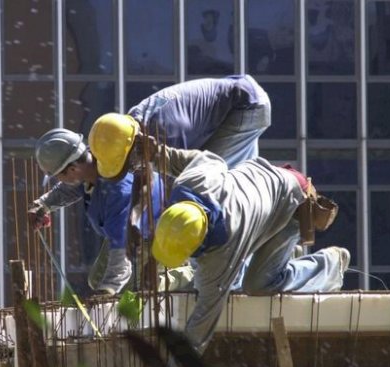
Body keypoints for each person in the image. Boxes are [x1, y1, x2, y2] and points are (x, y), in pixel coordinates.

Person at [89, 127, 349, 354]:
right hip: (262, 184)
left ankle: (329, 264)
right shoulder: (190, 184)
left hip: (291, 202)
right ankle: (278, 258)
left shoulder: (224, 252)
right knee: (229, 277)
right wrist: (157, 153)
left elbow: (203, 321)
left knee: (258, 284)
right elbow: (202, 158)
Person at [27, 128, 192, 295]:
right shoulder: (94, 162)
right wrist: (43, 204)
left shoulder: (118, 192)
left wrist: (107, 290)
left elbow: (121, 252)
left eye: (57, 175)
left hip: (156, 229)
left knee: (135, 286)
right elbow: (70, 188)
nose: (58, 180)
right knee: (97, 279)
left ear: (72, 169)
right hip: (126, 228)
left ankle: (186, 274)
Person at [92, 74, 270, 180]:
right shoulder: (132, 122)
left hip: (245, 105)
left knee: (208, 175)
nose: (131, 169)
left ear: (132, 146)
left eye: (129, 164)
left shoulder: (164, 133)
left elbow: (187, 174)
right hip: (239, 99)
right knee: (240, 172)